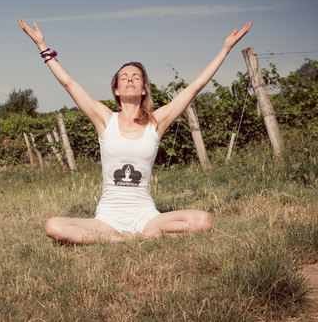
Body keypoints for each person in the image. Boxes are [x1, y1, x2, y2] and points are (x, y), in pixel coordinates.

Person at [17, 18, 251, 244]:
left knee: (204, 220)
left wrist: (225, 48)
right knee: (53, 226)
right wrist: (41, 45)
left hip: (146, 216)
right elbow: (68, 82)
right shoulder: (105, 119)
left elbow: (194, 88)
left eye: (136, 77)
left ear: (143, 90)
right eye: (124, 77)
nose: (130, 80)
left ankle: (139, 236)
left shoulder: (156, 122)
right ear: (116, 90)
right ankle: (118, 240)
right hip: (107, 218)